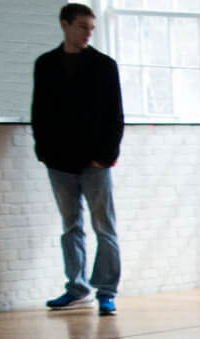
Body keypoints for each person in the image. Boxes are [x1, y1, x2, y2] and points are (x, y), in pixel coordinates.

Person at [32, 4, 123, 316]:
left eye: (91, 28)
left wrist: (105, 156)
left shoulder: (104, 66)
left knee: (104, 227)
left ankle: (106, 291)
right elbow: (39, 110)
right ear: (65, 24)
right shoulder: (46, 64)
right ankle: (77, 288)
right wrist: (44, 151)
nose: (87, 33)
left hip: (95, 161)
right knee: (71, 226)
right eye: (82, 26)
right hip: (59, 161)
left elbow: (115, 115)